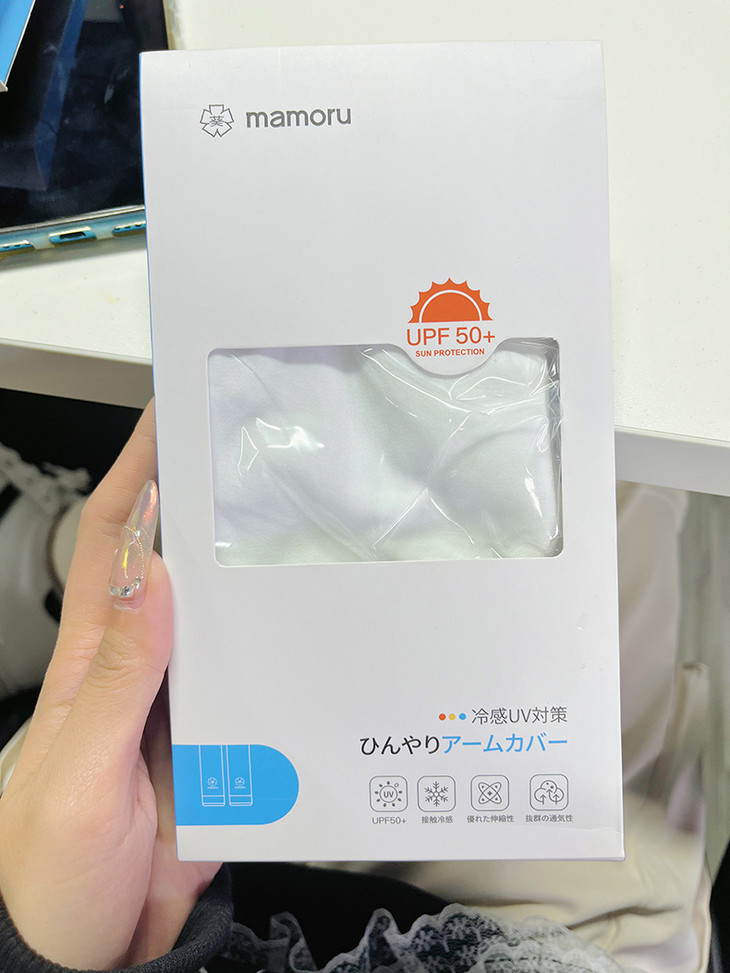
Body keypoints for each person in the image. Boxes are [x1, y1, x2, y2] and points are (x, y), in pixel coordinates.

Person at [0, 403, 710, 973]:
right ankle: (60, 568)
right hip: (528, 930)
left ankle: (50, 567)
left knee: (212, 555)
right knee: (588, 460)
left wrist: (57, 956)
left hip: (166, 901)